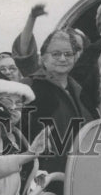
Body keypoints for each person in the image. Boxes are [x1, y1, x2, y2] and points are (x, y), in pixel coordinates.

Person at [23, 30, 94, 174]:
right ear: (43, 58)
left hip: (79, 168)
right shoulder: (29, 85)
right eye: (56, 54)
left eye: (68, 54)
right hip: (42, 171)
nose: (63, 59)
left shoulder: (79, 89)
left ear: (75, 58)